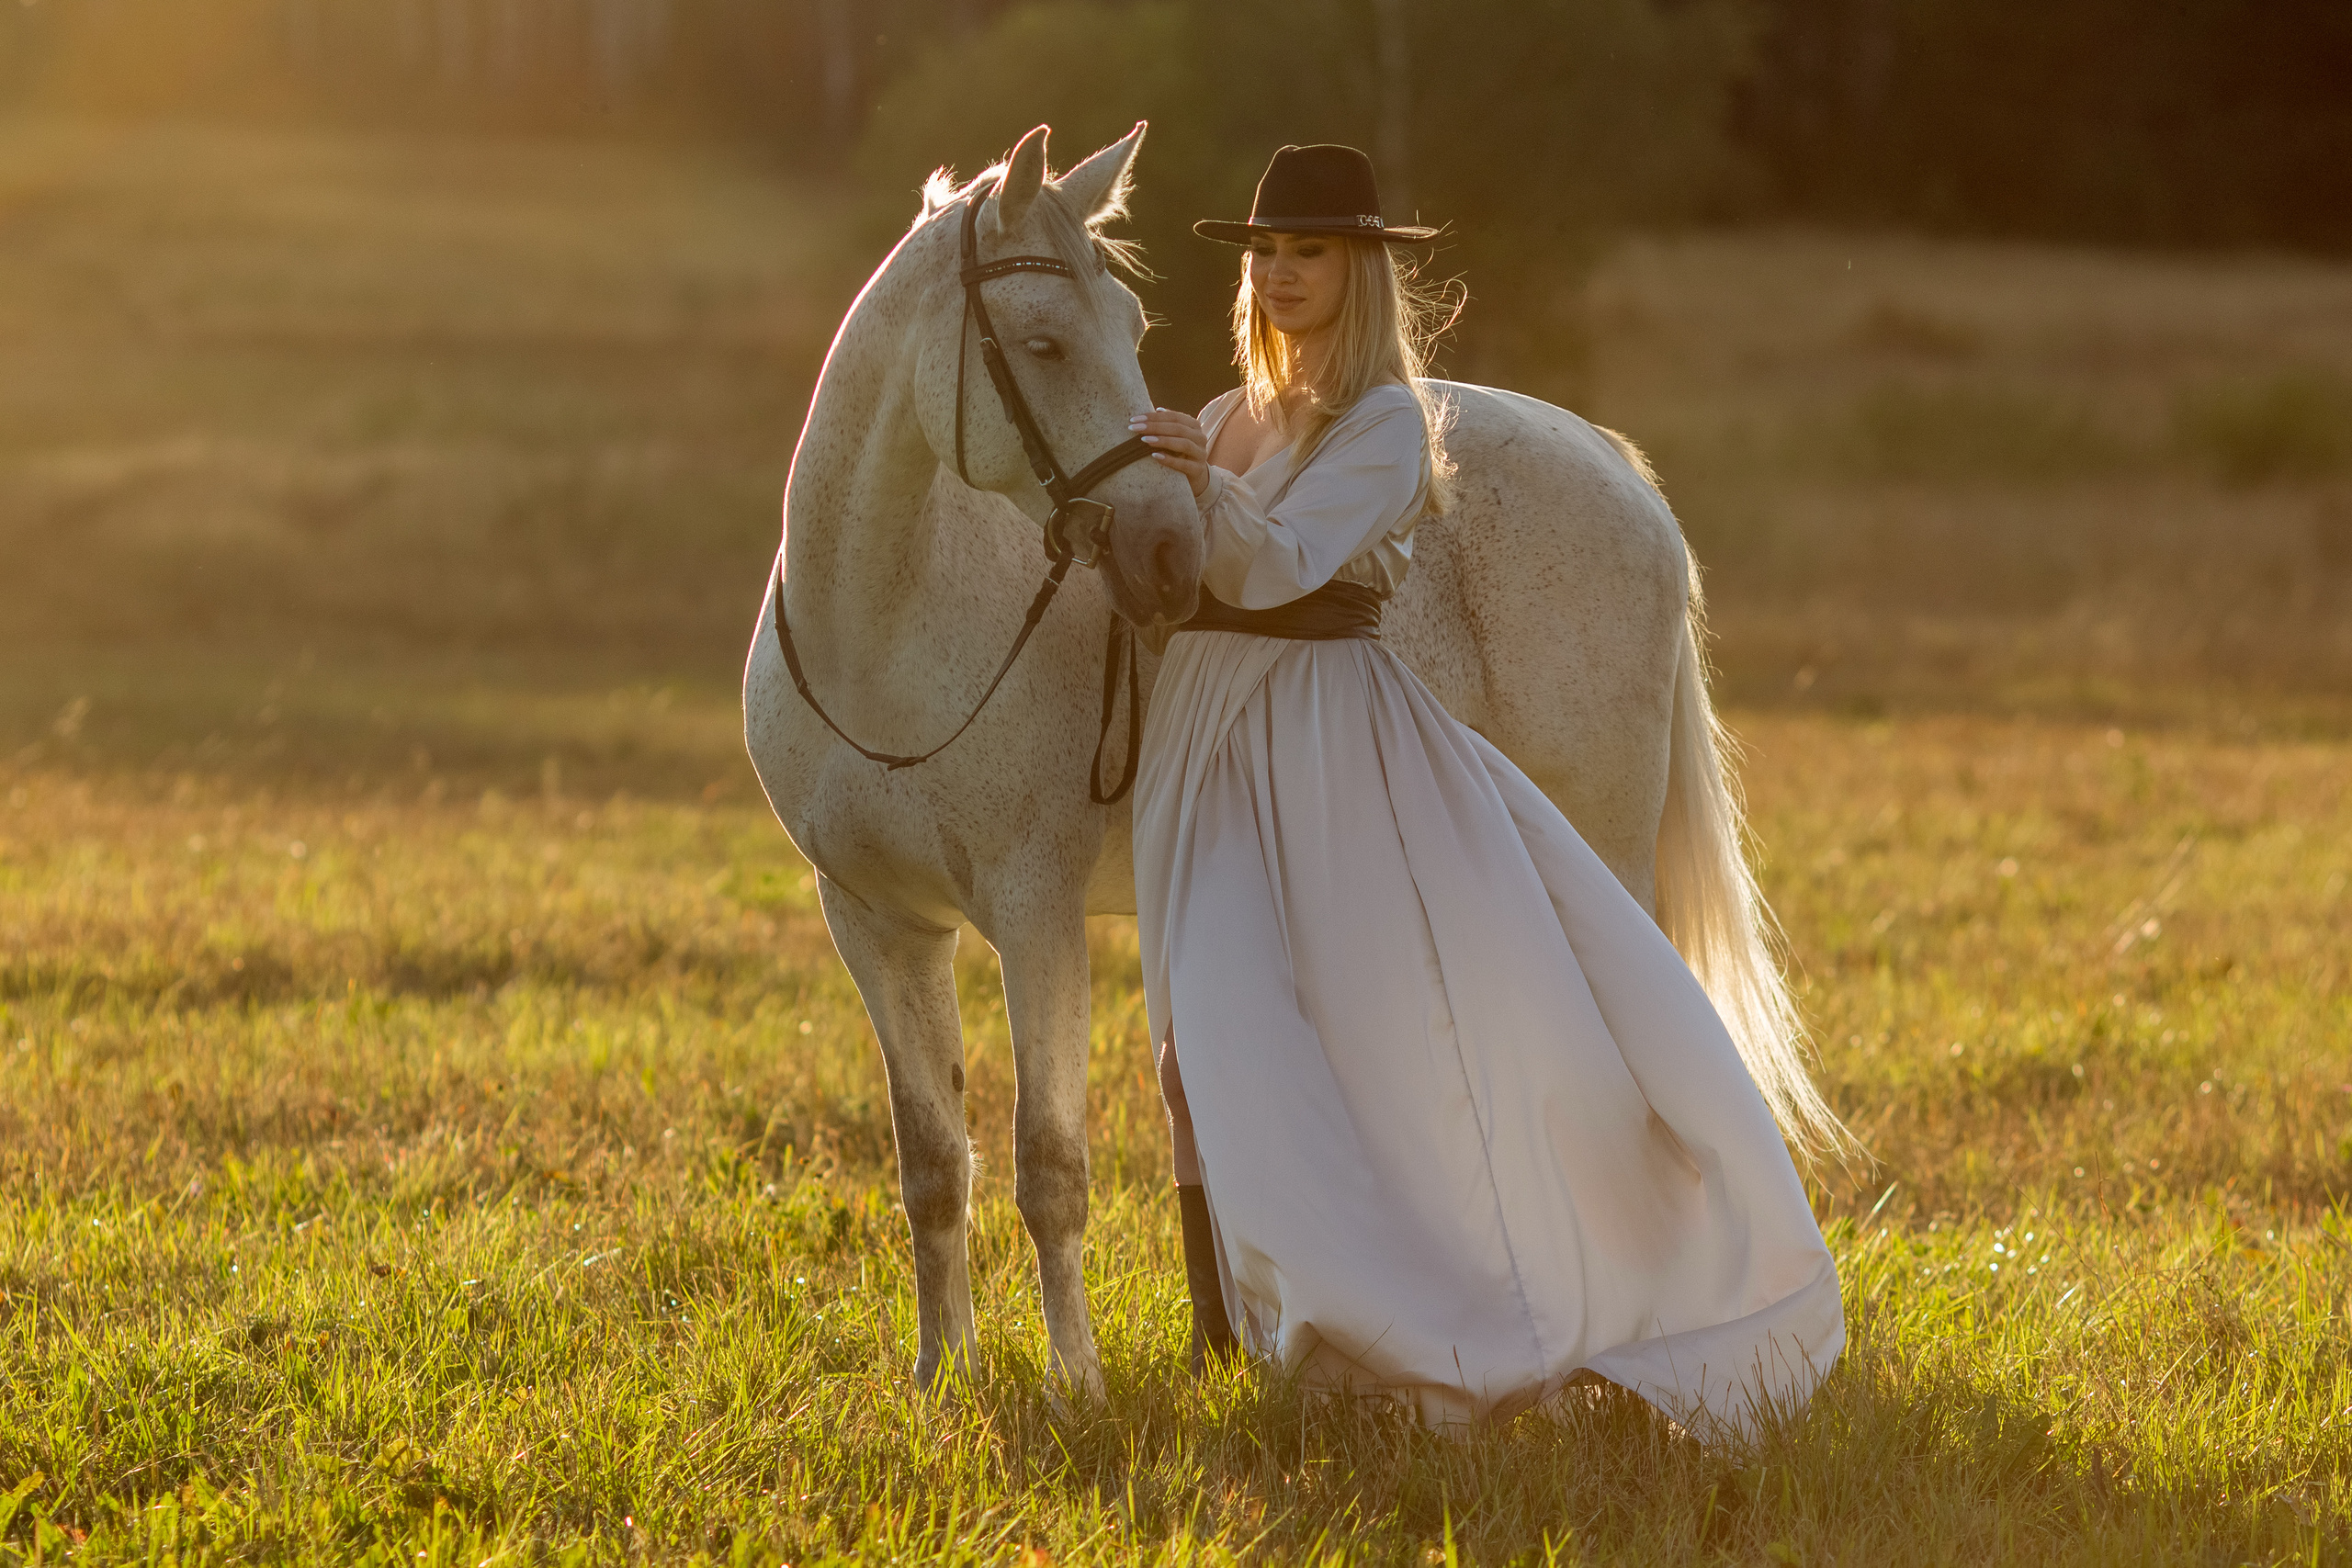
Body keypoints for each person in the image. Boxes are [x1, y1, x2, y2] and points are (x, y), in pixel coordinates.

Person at [1124, 144, 1846, 1436]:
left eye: (1312, 254)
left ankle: (1412, 1318)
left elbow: (1284, 560)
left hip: (1322, 737)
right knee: (1195, 1047)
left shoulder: (1388, 422)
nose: (1283, 276)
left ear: (1362, 272)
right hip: (1209, 739)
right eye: (1268, 254)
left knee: (1335, 1039)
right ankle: (1229, 1320)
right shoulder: (1231, 414)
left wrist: (1192, 486)